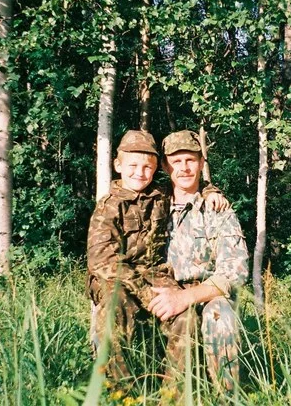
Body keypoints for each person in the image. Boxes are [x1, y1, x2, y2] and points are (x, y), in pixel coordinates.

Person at [86, 129, 227, 385]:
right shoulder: (107, 207)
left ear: (155, 169)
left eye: (147, 167)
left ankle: (173, 394)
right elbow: (101, 262)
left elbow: (191, 183)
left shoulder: (159, 194)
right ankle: (121, 393)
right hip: (115, 279)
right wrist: (145, 294)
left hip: (155, 275)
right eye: (133, 165)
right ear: (118, 165)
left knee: (186, 317)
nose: (140, 173)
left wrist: (211, 191)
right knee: (113, 311)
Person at [147, 130, 249, 393]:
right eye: (176, 161)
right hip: (162, 287)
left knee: (220, 316)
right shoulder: (152, 204)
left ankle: (227, 395)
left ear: (201, 163)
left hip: (207, 293)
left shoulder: (217, 209)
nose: (184, 168)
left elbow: (235, 272)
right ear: (166, 165)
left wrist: (185, 298)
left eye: (190, 160)